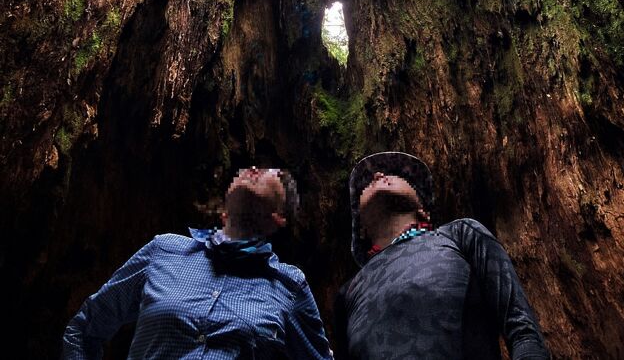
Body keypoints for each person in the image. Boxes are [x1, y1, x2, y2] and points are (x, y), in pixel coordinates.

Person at [62, 166, 331, 359]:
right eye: (250, 168)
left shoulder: (290, 287)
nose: (254, 170)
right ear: (224, 210)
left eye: (274, 173)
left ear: (279, 218)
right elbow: (85, 328)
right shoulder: (165, 250)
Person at [334, 152, 550, 360]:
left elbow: (522, 330)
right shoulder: (348, 294)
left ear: (423, 210)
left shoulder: (461, 234)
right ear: (360, 228)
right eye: (366, 182)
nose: (379, 175)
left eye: (398, 176)